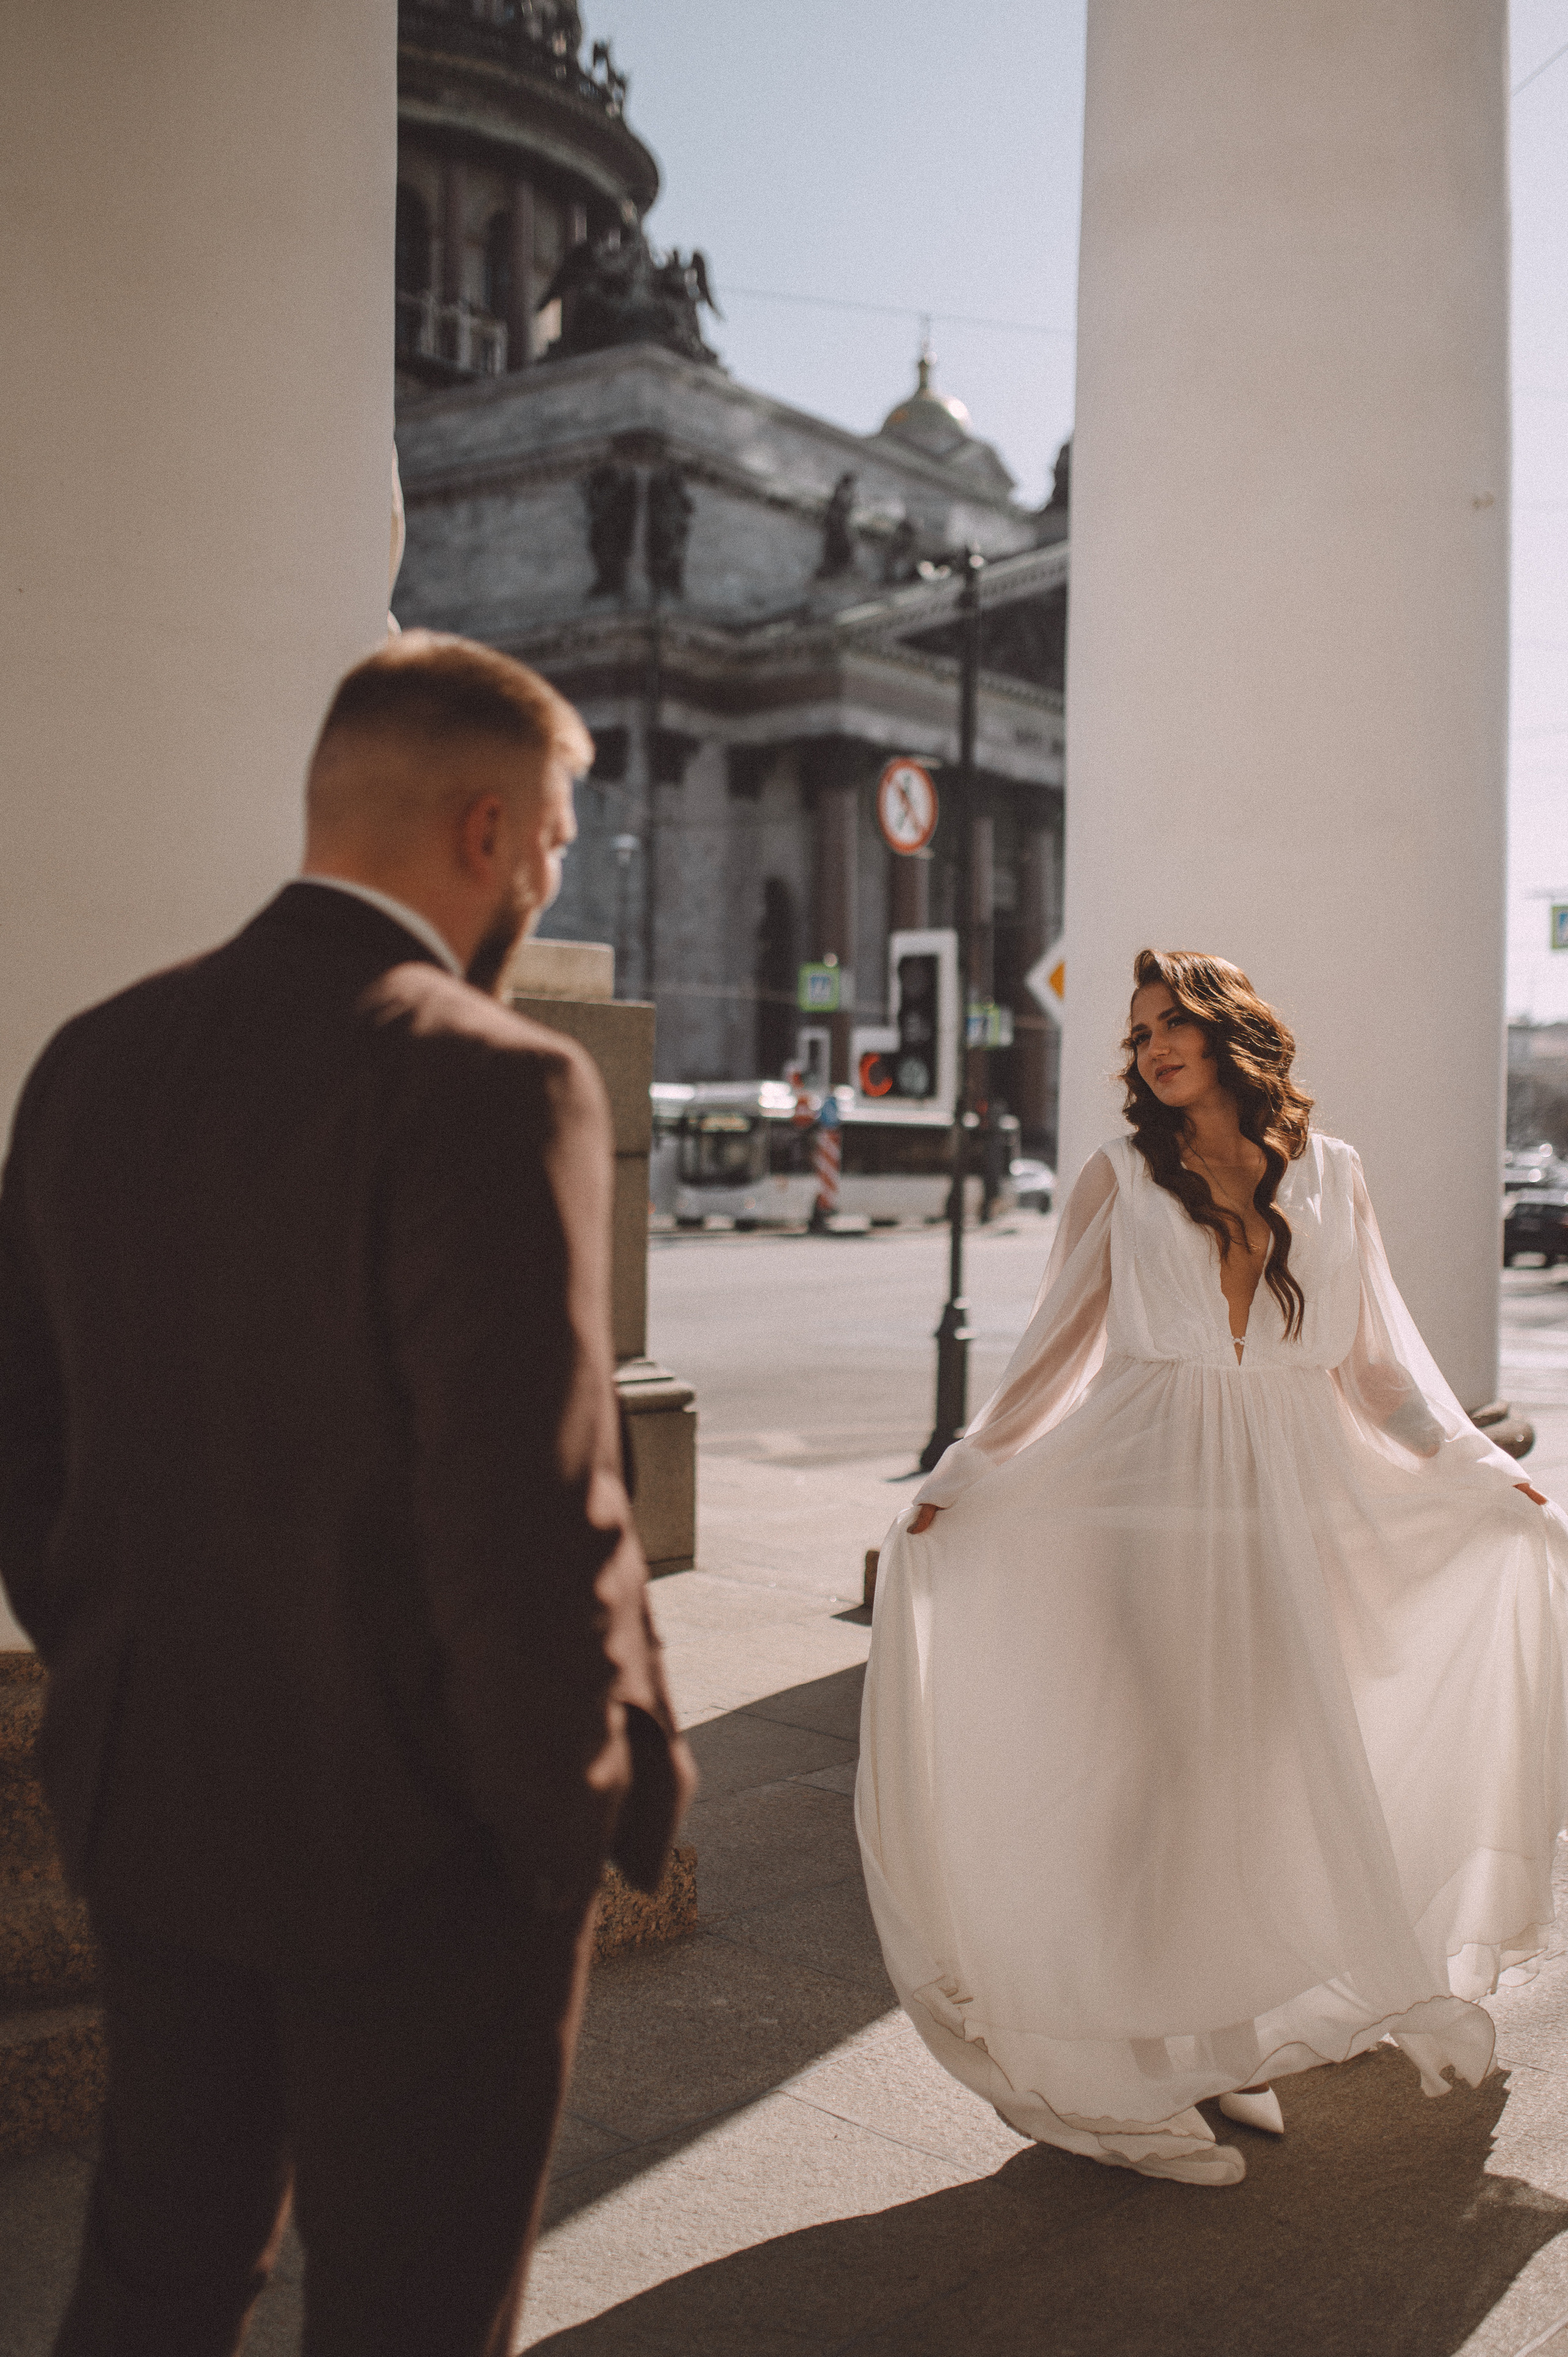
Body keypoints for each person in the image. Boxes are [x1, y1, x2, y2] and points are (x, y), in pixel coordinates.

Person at [0, 631, 696, 2351]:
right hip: (423, 1850)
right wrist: (562, 1824)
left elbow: (29, 1448)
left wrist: (115, 1675)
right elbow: (527, 1505)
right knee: (411, 2308)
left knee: (160, 2269)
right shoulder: (490, 1078)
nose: (548, 878)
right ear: (483, 832)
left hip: (151, 1798)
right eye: (549, 843)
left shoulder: (90, 1057)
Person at [856, 948, 1567, 2188]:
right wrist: (958, 1477)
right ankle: (1132, 2064)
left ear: (1231, 1030)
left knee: (1259, 1768)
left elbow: (1376, 1369)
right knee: (1170, 1770)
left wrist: (1472, 1469)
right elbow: (1050, 1356)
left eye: (1168, 1022)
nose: (1149, 1048)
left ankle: (1225, 2040)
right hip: (1151, 1505)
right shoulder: (1122, 1177)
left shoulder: (1331, 1176)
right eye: (1135, 1035)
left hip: (1294, 1513)